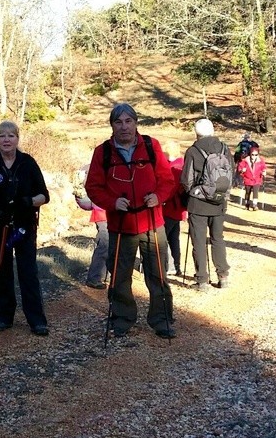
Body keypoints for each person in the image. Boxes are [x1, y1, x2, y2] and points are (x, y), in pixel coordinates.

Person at [85, 103, 175, 339]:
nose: (124, 127)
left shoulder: (151, 146)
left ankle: (162, 319)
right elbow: (93, 187)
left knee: (158, 274)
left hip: (152, 223)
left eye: (128, 121)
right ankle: (122, 318)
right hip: (120, 224)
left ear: (136, 123)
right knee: (120, 275)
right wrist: (112, 202)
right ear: (112, 126)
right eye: (118, 122)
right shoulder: (102, 152)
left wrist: (159, 196)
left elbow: (167, 179)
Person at [0, 121, 50, 335]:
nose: (6, 139)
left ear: (18, 139)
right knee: (1, 270)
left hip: (23, 228)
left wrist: (28, 201)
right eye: (2, 136)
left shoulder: (28, 163)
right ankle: (4, 314)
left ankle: (36, 319)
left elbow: (44, 195)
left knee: (28, 271)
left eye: (11, 135)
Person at [181, 118, 234, 291]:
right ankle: (223, 276)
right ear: (212, 130)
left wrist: (192, 193)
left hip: (198, 203)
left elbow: (186, 180)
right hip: (219, 201)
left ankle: (202, 280)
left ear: (196, 133)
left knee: (199, 241)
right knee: (218, 239)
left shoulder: (193, 150)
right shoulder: (225, 148)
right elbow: (231, 174)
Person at [73, 165, 108, 289]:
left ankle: (102, 276)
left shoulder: (91, 167)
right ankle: (94, 278)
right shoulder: (101, 168)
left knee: (106, 244)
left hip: (102, 211)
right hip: (103, 211)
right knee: (105, 244)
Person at [162, 142, 185, 277]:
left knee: (163, 237)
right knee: (173, 238)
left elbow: (170, 189)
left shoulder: (174, 168)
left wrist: (160, 198)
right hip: (177, 209)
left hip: (170, 208)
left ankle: (170, 265)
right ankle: (176, 266)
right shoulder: (181, 165)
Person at [236, 144, 267, 210]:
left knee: (255, 192)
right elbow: (239, 168)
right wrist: (242, 170)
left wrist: (264, 171)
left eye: (256, 155)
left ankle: (254, 205)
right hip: (248, 178)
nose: (254, 156)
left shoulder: (260, 160)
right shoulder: (245, 160)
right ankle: (247, 203)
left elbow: (263, 167)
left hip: (257, 179)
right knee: (248, 192)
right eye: (252, 154)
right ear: (250, 154)